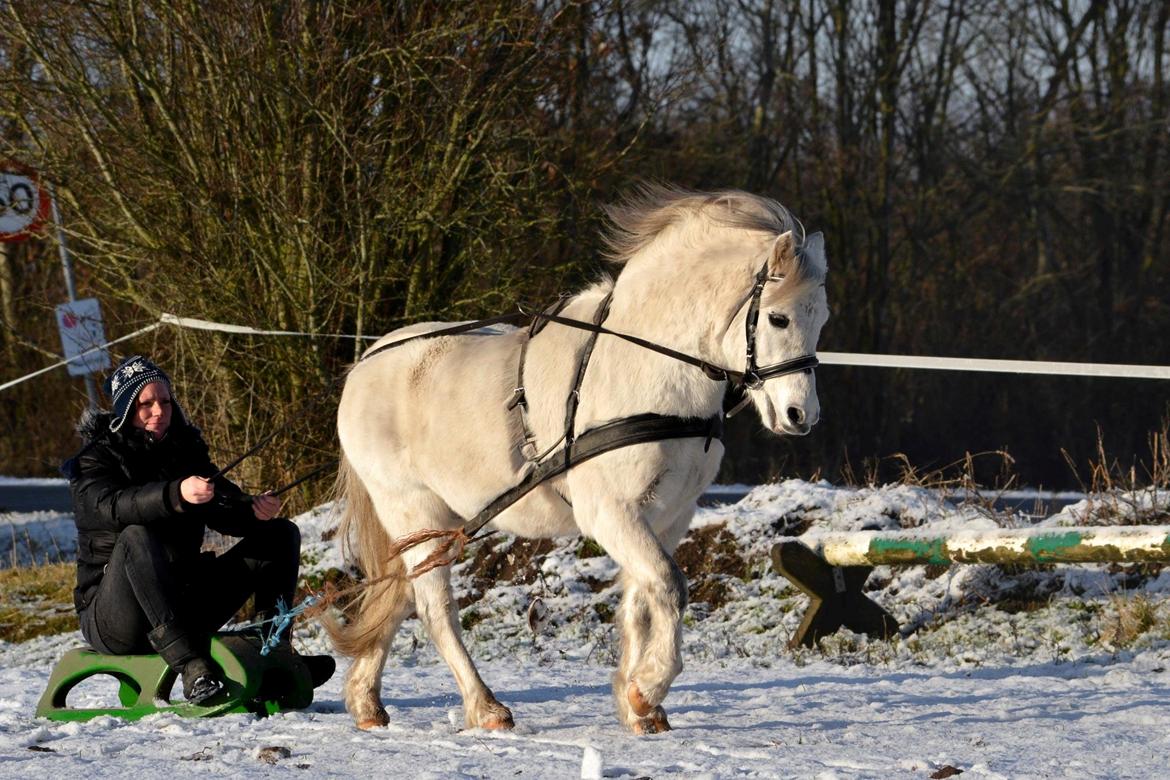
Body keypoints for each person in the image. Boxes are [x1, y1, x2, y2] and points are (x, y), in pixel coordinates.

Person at [61, 355, 334, 704]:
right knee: (137, 536)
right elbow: (114, 506)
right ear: (126, 409)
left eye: (165, 401)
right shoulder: (93, 460)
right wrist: (176, 494)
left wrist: (253, 510)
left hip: (182, 599)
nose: (159, 410)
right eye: (146, 404)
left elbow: (225, 508)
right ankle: (191, 666)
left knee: (279, 534)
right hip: (114, 618)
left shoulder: (184, 449)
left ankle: (272, 653)